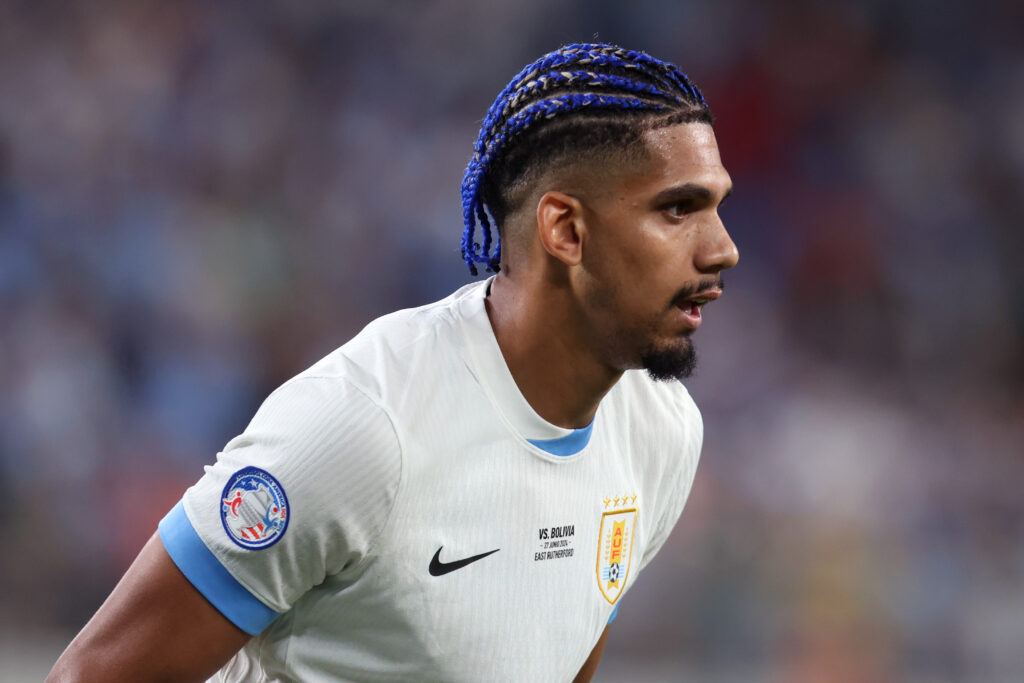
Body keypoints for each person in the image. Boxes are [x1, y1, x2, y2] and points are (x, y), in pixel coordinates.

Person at [48, 42, 738, 682]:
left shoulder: (661, 430)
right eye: (679, 209)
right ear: (565, 229)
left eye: (716, 207)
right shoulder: (362, 430)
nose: (722, 249)